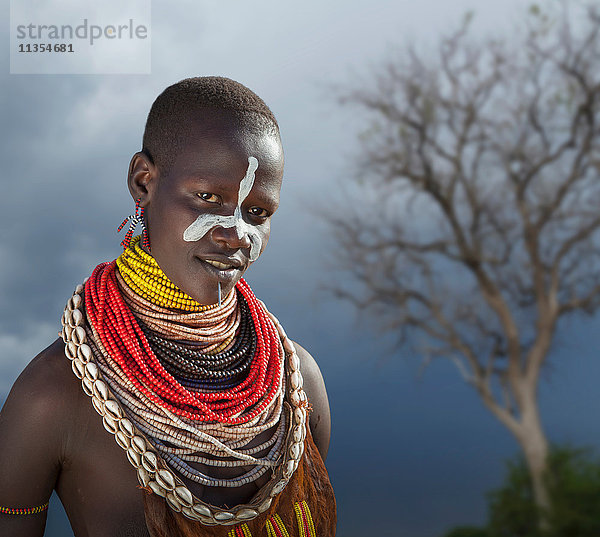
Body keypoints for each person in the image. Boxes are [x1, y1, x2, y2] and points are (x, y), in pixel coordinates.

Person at [0, 76, 336, 537]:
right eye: (208, 198)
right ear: (144, 182)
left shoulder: (296, 386)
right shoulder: (55, 396)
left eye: (258, 212)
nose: (236, 233)